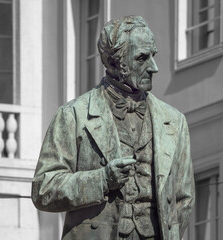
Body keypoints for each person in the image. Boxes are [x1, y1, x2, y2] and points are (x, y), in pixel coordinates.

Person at [32, 16, 195, 240]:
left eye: (153, 56)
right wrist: (101, 179)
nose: (154, 68)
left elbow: (183, 199)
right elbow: (44, 189)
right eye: (142, 58)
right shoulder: (74, 115)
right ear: (112, 62)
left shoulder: (174, 121)